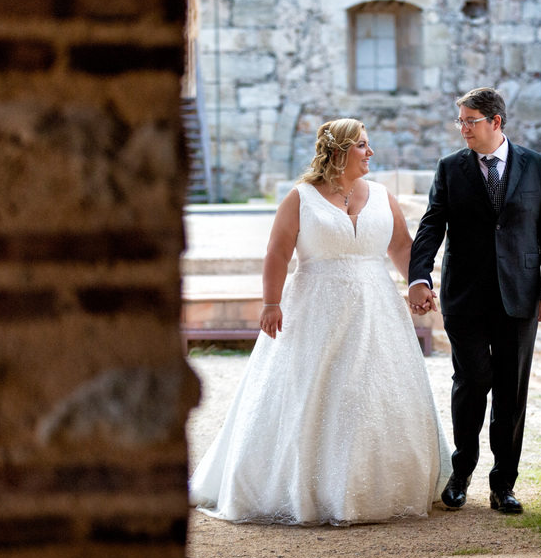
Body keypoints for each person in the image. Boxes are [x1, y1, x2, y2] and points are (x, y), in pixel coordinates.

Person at [189, 118, 451, 525]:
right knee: (317, 394)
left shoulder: (383, 196)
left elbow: (402, 246)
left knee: (370, 392)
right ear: (340, 150)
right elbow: (277, 252)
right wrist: (271, 303)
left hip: (376, 310)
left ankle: (370, 488)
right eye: (363, 145)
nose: (371, 153)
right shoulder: (301, 198)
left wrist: (418, 283)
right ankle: (310, 489)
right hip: (314, 310)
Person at [408, 88, 541, 515]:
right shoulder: (450, 168)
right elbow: (431, 226)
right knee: (472, 383)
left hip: (520, 297)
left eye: (469, 121)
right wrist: (419, 276)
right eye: (459, 121)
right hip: (465, 296)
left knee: (511, 392)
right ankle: (461, 474)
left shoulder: (535, 165)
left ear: (495, 122)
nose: (463, 129)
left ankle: (504, 485)